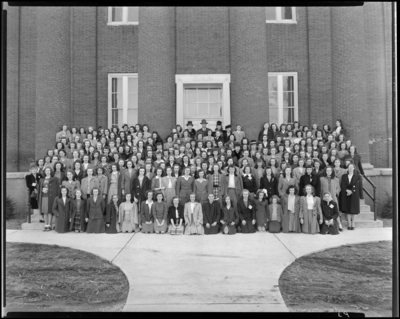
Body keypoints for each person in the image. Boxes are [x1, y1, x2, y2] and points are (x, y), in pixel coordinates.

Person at [340, 163, 363, 230]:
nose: (350, 168)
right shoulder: (344, 176)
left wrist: (351, 191)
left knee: (353, 210)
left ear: (354, 168)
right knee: (348, 210)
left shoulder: (358, 176)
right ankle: (349, 224)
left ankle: (353, 224)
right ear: (347, 168)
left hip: (354, 194)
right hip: (346, 194)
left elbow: (358, 186)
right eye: (349, 167)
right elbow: (342, 185)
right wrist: (347, 191)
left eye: (351, 167)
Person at [37, 167, 60, 231]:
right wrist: (42, 190)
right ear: (44, 172)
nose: (47, 172)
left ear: (51, 172)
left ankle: (49, 225)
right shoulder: (41, 180)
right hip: (44, 196)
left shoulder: (55, 179)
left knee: (50, 211)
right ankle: (45, 225)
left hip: (51, 196)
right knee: (44, 211)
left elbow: (57, 188)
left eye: (49, 170)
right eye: (46, 171)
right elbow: (39, 188)